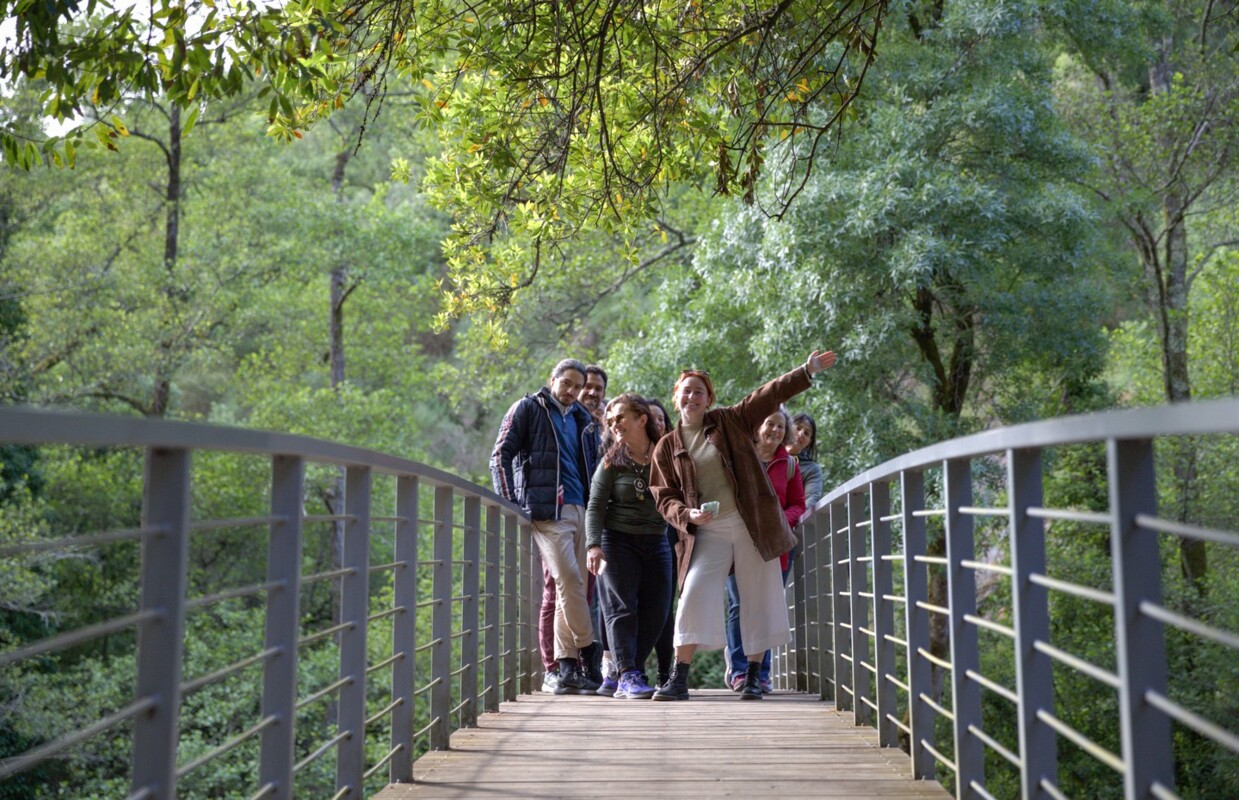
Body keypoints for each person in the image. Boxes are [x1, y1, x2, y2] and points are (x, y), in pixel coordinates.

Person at [649, 350, 837, 701]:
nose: (692, 397)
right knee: (692, 593)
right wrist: (687, 515)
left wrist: (806, 371)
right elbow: (663, 496)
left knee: (759, 596)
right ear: (676, 397)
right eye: (686, 391)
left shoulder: (729, 421)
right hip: (709, 529)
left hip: (752, 525)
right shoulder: (666, 447)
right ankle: (679, 678)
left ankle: (752, 677)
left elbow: (768, 394)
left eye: (699, 392)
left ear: (709, 399)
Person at [490, 358, 601, 694]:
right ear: (552, 379)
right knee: (568, 580)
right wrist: (512, 504)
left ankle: (566, 667)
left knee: (573, 588)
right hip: (547, 511)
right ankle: (589, 647)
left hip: (581, 509)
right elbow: (500, 455)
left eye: (577, 386)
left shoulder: (583, 420)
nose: (571, 391)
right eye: (566, 383)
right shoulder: (528, 408)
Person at [585, 394, 673, 700]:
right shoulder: (611, 461)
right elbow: (595, 506)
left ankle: (624, 671)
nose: (614, 424)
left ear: (642, 419)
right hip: (617, 540)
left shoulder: (666, 455)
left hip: (657, 539)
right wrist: (593, 545)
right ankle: (628, 674)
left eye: (620, 417)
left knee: (658, 610)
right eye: (610, 421)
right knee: (621, 608)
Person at [724, 406, 805, 693]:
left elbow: (798, 504)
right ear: (758, 427)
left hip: (775, 544)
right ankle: (739, 671)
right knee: (739, 605)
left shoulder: (790, 464)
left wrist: (780, 520)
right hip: (739, 540)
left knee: (767, 606)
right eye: (770, 423)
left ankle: (760, 674)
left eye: (781, 427)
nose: (775, 430)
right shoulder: (739, 458)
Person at [646, 398, 678, 689]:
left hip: (670, 534)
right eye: (650, 418)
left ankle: (665, 672)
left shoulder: (675, 452)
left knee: (665, 607)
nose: (656, 423)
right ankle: (630, 670)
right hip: (632, 537)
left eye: (661, 418)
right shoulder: (628, 453)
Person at [789, 412, 823, 515]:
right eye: (798, 428)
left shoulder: (812, 470)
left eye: (806, 433)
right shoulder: (769, 453)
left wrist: (789, 519)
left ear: (809, 442)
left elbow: (812, 499)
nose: (801, 434)